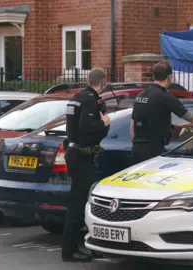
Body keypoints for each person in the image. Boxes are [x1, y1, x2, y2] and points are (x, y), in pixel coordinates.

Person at [129, 60, 193, 165]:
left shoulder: (141, 95)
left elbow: (133, 125)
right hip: (153, 150)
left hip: (136, 150)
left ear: (154, 76)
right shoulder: (165, 97)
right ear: (169, 77)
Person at [62, 67, 111, 262]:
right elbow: (87, 126)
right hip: (82, 155)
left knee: (77, 201)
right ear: (103, 82)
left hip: (74, 152)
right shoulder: (90, 100)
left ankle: (72, 247)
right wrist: (105, 122)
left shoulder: (76, 98)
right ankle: (71, 250)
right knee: (79, 203)